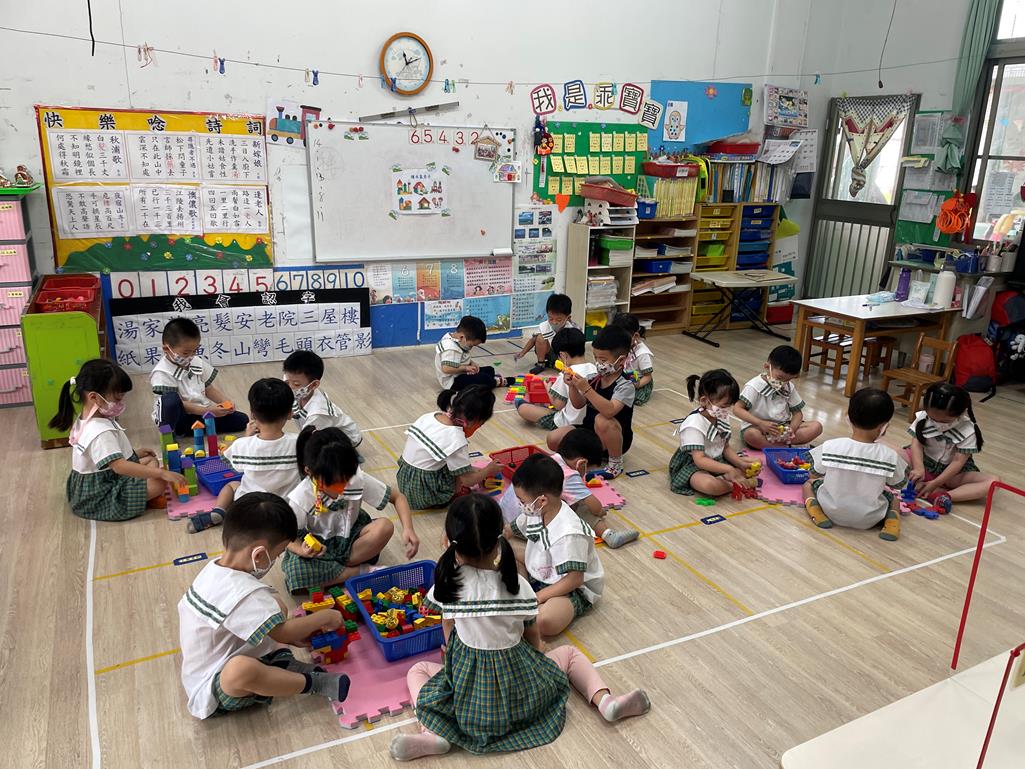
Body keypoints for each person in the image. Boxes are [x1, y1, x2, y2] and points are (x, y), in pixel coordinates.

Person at [390, 494, 649, 761]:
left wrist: (454, 659)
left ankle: (433, 733)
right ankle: (605, 702)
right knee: (569, 655)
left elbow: (448, 627)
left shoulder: (446, 586)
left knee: (418, 670)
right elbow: (532, 633)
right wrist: (539, 652)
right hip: (524, 693)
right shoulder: (518, 586)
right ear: (498, 542)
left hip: (472, 702)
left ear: (448, 540)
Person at [177, 492, 351, 720]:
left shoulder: (216, 568)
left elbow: (275, 628)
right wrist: (326, 616)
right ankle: (312, 683)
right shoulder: (239, 592)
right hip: (213, 685)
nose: (276, 560)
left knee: (275, 605)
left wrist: (290, 637)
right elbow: (283, 632)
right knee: (241, 670)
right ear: (259, 555)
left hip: (233, 650)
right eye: (278, 554)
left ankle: (282, 662)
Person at [282, 427, 419, 594]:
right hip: (320, 548)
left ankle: (331, 574)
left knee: (385, 527)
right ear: (309, 471)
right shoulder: (301, 496)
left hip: (352, 539)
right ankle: (359, 571)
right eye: (333, 482)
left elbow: (397, 497)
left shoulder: (356, 478)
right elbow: (286, 536)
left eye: (346, 478)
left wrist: (408, 529)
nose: (341, 487)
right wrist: (301, 550)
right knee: (295, 572)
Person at [51, 358, 184, 521]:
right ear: (94, 397)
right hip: (101, 495)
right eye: (117, 399)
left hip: (99, 479)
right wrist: (162, 473)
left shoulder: (86, 419)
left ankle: (143, 494)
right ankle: (142, 499)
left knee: (150, 459)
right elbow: (119, 466)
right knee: (160, 482)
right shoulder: (100, 431)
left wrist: (135, 454)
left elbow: (99, 458)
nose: (121, 403)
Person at [508, 454, 603, 637]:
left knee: (545, 622)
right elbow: (509, 531)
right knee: (505, 553)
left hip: (571, 588)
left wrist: (539, 597)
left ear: (542, 500)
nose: (520, 505)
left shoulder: (570, 532)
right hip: (544, 568)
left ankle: (528, 598)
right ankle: (525, 595)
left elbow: (574, 579)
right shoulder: (536, 511)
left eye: (522, 501)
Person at [804, 388, 908, 540]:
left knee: (808, 484)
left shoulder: (831, 446)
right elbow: (899, 484)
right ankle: (892, 524)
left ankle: (816, 512)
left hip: (830, 511)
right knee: (895, 498)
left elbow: (813, 473)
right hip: (870, 519)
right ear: (885, 427)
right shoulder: (890, 456)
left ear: (848, 417)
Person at [207, 378, 301, 535]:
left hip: (250, 510)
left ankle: (219, 511)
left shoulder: (242, 445)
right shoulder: (299, 443)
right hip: (284, 510)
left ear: (252, 414)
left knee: (231, 485)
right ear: (290, 414)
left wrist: (247, 437)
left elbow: (228, 464)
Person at [547, 325, 635, 479]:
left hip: (615, 436)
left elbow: (609, 410)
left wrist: (586, 389)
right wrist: (572, 387)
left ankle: (615, 464)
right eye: (595, 358)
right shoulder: (594, 378)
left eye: (603, 360)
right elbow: (579, 404)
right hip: (590, 433)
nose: (598, 363)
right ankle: (589, 457)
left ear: (621, 360)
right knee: (553, 439)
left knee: (602, 419)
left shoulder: (625, 385)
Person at [397, 386, 503, 510]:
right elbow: (468, 481)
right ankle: (452, 494)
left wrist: (476, 470)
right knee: (459, 472)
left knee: (455, 463)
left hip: (405, 481)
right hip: (422, 494)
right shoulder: (456, 438)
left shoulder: (432, 416)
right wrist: (488, 470)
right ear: (476, 420)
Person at [150, 317, 248, 436]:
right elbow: (177, 405)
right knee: (171, 400)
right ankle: (171, 433)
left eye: (194, 351)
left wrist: (226, 403)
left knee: (242, 420)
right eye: (186, 353)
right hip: (180, 418)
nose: (191, 356)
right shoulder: (162, 372)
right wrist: (208, 411)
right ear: (167, 349)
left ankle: (196, 429)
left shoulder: (195, 361)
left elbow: (208, 388)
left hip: (199, 413)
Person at [907, 382, 998, 508]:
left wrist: (936, 482)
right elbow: (916, 444)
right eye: (932, 418)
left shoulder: (968, 430)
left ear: (962, 413)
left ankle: (943, 495)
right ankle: (921, 484)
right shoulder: (923, 417)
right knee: (889, 451)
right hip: (923, 463)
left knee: (994, 482)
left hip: (952, 475)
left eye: (944, 421)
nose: (937, 423)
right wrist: (918, 467)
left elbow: (957, 462)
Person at [669, 369, 758, 497]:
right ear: (704, 400)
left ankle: (727, 479)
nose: (726, 410)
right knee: (709, 485)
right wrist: (729, 469)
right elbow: (700, 460)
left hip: (717, 459)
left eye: (729, 405)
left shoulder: (720, 414)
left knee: (755, 463)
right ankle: (733, 484)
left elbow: (725, 447)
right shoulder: (693, 424)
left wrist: (740, 463)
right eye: (723, 406)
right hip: (694, 465)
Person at [731, 345, 823, 449]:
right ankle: (783, 446)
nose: (783, 382)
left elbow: (797, 414)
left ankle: (775, 445)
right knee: (751, 435)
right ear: (767, 366)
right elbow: (737, 409)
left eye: (788, 379)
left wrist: (791, 429)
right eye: (780, 377)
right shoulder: (754, 386)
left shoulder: (789, 387)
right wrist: (760, 423)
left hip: (782, 427)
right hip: (758, 427)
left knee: (816, 427)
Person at [515, 327, 596, 434]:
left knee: (522, 407)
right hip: (591, 421)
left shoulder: (566, 374)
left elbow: (559, 405)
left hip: (568, 422)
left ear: (563, 355)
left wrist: (548, 389)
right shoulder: (594, 368)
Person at [282, 350, 362, 449]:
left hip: (347, 439)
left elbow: (305, 442)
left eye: (296, 384)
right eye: (286, 382)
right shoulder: (303, 394)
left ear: (314, 385)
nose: (289, 387)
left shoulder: (317, 414)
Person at [435, 315, 515, 391]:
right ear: (462, 337)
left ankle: (490, 380)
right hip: (453, 382)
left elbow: (460, 358)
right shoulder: (450, 348)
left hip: (460, 373)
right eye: (471, 345)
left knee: (490, 370)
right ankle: (496, 382)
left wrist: (471, 363)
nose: (471, 348)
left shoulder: (456, 339)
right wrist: (466, 368)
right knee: (484, 379)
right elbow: (446, 368)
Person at [514, 293, 575, 374]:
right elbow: (533, 340)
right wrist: (522, 353)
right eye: (551, 318)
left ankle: (553, 364)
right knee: (540, 338)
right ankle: (541, 364)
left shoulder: (570, 329)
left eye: (559, 320)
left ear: (568, 317)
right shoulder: (544, 326)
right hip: (548, 352)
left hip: (562, 355)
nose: (554, 322)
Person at [610, 313, 655, 406]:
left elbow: (647, 376)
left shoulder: (642, 354)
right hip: (624, 377)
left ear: (635, 336)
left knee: (624, 397)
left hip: (638, 382)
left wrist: (636, 385)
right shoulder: (620, 347)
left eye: (623, 339)